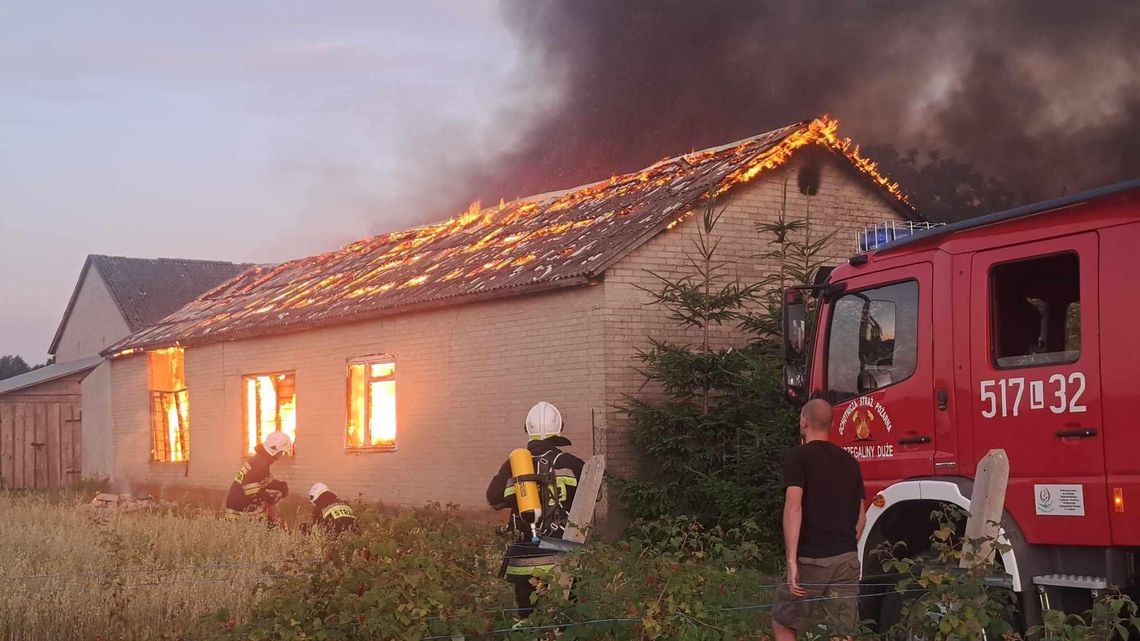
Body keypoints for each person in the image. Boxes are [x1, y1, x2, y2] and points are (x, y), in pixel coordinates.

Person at [773, 398, 867, 641]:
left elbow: (794, 508)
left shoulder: (798, 457)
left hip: (811, 559)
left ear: (804, 422)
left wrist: (792, 561)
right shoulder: (850, 461)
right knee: (842, 630)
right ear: (831, 425)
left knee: (784, 621)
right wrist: (846, 545)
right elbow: (861, 515)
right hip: (847, 559)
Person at [486, 401, 584, 618]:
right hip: (563, 551)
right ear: (559, 428)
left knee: (527, 619)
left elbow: (493, 499)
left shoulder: (513, 464)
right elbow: (591, 499)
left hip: (525, 554)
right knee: (564, 617)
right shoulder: (573, 463)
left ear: (527, 430)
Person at [224, 431, 292, 525]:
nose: (282, 455)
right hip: (239, 510)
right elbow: (249, 489)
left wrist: (280, 486)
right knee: (269, 527)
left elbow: (263, 480)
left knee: (269, 524)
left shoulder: (260, 459)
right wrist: (269, 497)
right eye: (281, 452)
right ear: (274, 450)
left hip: (239, 504)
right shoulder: (261, 463)